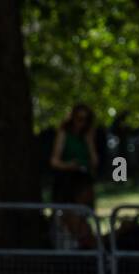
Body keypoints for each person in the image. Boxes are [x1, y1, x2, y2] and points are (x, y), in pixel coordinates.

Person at [50, 103, 99, 248]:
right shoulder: (64, 133)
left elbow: (94, 161)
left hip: (83, 180)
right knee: (69, 220)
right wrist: (69, 165)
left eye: (85, 119)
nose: (82, 123)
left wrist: (90, 142)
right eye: (79, 119)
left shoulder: (87, 136)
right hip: (68, 183)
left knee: (83, 221)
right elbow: (54, 161)